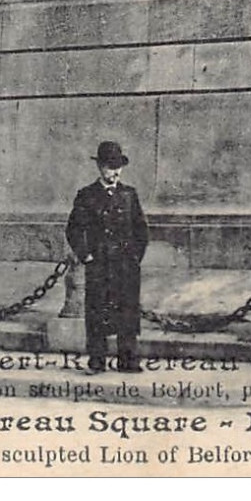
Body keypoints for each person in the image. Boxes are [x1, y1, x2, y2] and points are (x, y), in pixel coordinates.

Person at [66, 140, 149, 373]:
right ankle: (97, 360)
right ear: (100, 168)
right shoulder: (86, 195)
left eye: (119, 166)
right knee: (97, 312)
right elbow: (73, 229)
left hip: (125, 266)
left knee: (128, 312)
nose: (115, 172)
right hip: (99, 265)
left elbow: (141, 230)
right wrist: (87, 256)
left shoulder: (129, 195)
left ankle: (128, 359)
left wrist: (135, 258)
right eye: (110, 167)